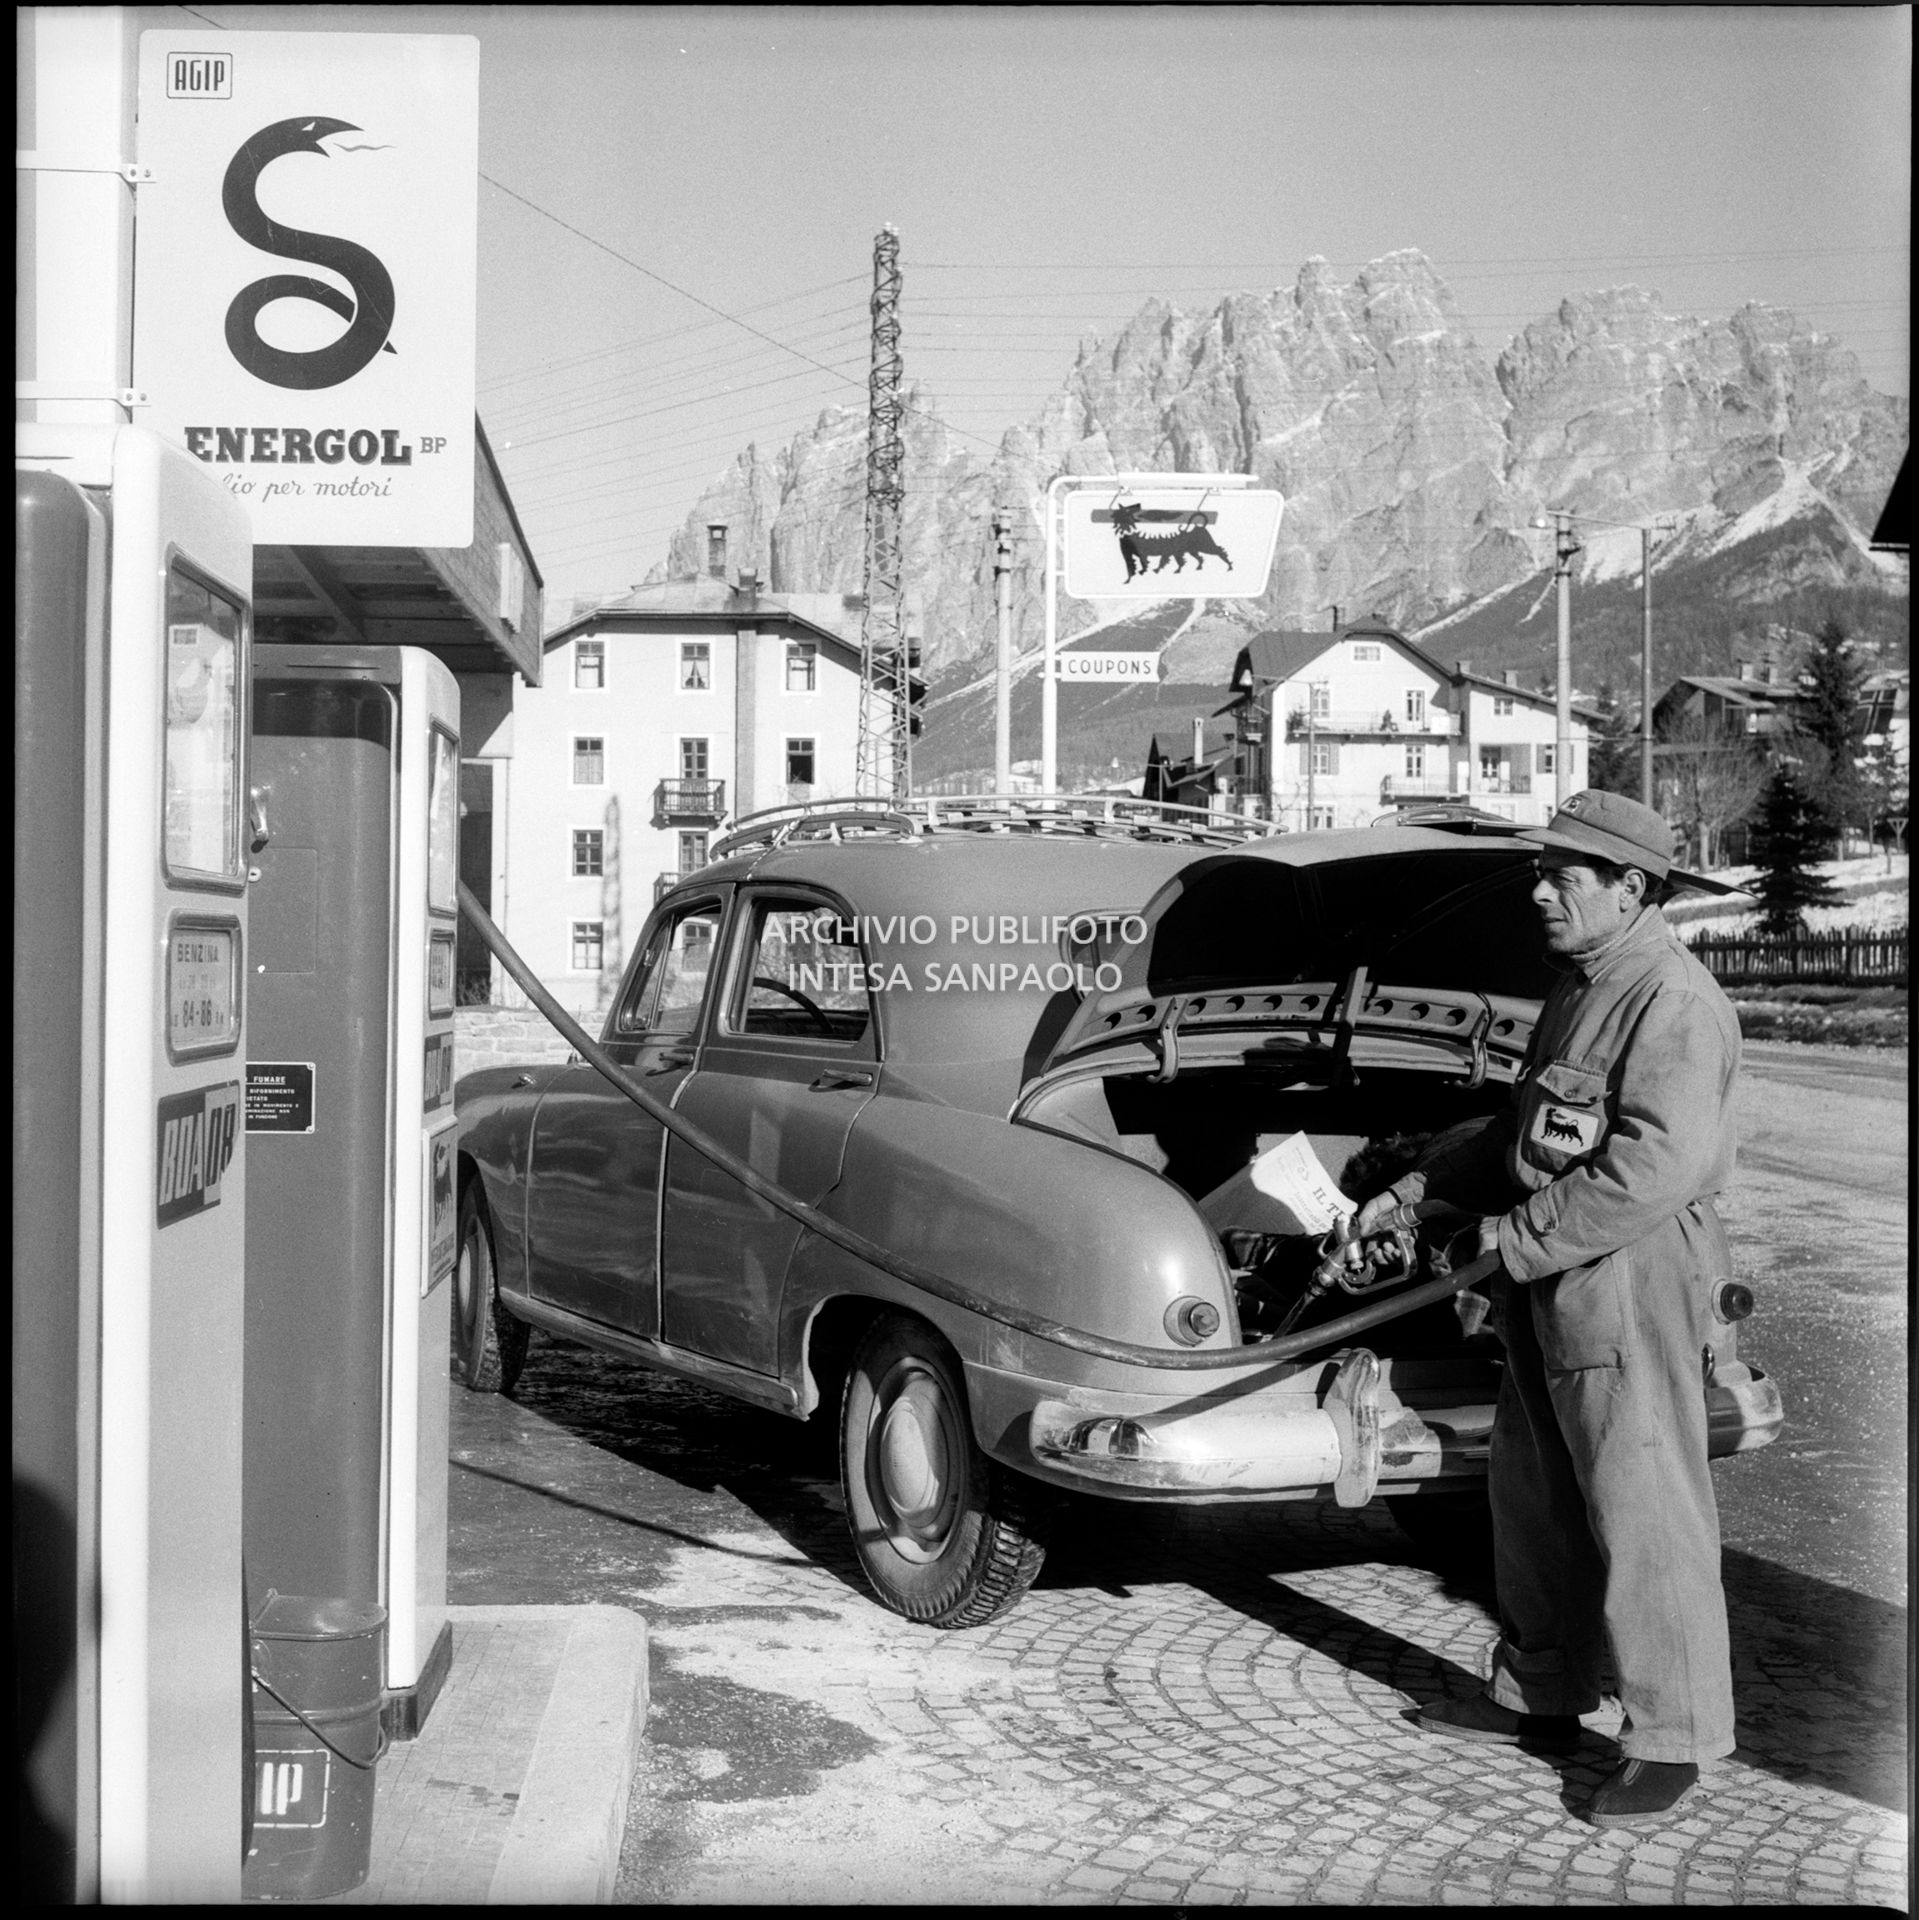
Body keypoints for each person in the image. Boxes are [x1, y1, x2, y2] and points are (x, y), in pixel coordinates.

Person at [1350, 790, 1747, 1828]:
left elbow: (1651, 1165)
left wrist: (1510, 1241)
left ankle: (1673, 1738)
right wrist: (1421, 1189)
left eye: (1561, 874)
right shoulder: (1580, 987)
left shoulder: (1672, 1000)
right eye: (1540, 868)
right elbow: (1528, 1131)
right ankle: (1541, 1694)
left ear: (1629, 887)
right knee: (1533, 1493)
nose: (1537, 891)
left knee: (1640, 1503)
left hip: (1628, 1276)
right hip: (1550, 1275)